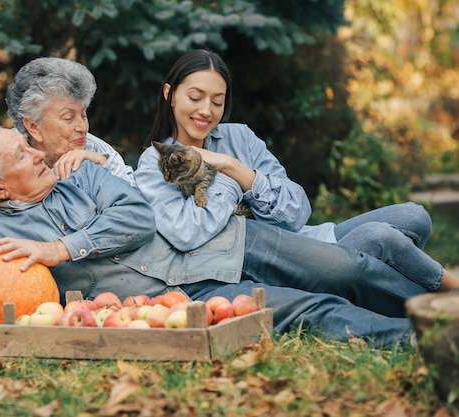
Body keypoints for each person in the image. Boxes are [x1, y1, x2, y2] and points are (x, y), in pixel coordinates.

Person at [0, 124, 414, 348]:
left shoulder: (78, 173)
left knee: (347, 267)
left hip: (225, 241)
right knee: (311, 308)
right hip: (180, 298)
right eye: (20, 153)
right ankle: (415, 338)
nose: (37, 153)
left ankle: (435, 310)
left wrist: (59, 249)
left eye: (28, 144)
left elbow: (137, 217)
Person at [134, 49, 459, 318]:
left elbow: (297, 210)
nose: (206, 110)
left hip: (307, 239)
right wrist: (229, 182)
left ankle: (362, 281)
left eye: (217, 101)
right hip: (273, 258)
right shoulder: (157, 164)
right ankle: (443, 308)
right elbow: (185, 233)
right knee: (381, 238)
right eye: (195, 97)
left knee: (414, 216)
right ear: (170, 95)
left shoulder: (240, 138)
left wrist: (235, 167)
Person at [0, 57, 135, 268]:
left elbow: (137, 212)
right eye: (68, 118)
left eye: (83, 115)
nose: (82, 127)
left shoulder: (97, 151)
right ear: (33, 126)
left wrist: (98, 172)